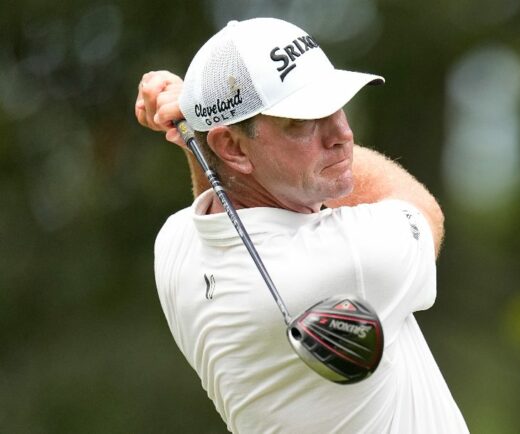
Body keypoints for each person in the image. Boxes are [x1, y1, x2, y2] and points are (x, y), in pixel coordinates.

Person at [135, 18, 468, 433]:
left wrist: (196, 132)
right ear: (232, 147)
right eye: (303, 121)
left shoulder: (174, 246)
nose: (342, 134)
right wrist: (196, 121)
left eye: (335, 105)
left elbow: (227, 189)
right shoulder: (351, 262)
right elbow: (421, 209)